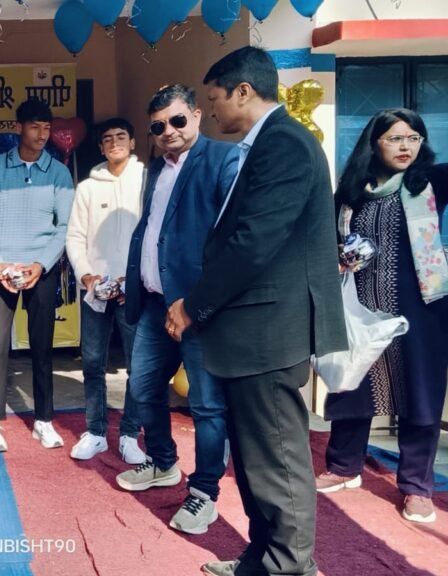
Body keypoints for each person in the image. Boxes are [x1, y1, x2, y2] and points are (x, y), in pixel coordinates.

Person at [170, 47, 347, 576]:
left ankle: (289, 566)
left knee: (276, 457)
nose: (212, 110)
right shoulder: (264, 144)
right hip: (252, 331)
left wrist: (193, 306)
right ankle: (262, 558)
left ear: (243, 91)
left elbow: (253, 243)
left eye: (214, 99)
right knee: (252, 459)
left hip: (270, 331)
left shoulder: (285, 144)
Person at [116, 84, 238, 536]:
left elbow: (231, 241)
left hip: (198, 309)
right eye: (158, 126)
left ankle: (204, 492)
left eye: (177, 120)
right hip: (153, 303)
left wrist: (196, 302)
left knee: (206, 405)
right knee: (143, 388)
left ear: (197, 115)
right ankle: (163, 462)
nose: (168, 131)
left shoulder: (223, 160)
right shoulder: (157, 167)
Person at [318, 108, 448, 524]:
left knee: (420, 393)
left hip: (421, 310)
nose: (406, 146)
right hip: (360, 307)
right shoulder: (351, 192)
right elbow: (329, 239)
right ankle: (344, 466)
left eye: (413, 138)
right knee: (352, 381)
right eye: (395, 138)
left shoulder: (431, 182)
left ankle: (416, 487)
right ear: (374, 144)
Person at [0, 98, 74, 453]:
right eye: (35, 127)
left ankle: (43, 420)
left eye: (47, 128)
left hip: (40, 270)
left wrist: (40, 265)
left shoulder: (59, 173)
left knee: (42, 346)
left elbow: (64, 227)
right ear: (19, 127)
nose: (42, 134)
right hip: (1, 269)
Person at [64, 117, 147, 464]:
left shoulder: (146, 180)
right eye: (108, 139)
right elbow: (74, 236)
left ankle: (129, 435)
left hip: (134, 290)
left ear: (133, 143)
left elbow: (153, 234)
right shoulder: (87, 187)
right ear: (100, 147)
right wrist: (86, 276)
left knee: (138, 366)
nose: (115, 143)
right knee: (93, 363)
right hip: (96, 290)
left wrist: (136, 278)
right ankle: (96, 432)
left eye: (121, 136)